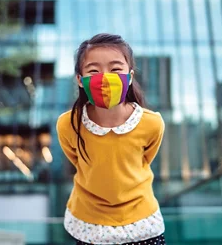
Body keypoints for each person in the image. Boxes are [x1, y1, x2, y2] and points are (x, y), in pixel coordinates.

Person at [56, 33, 166, 245]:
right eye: (93, 70)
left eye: (116, 69)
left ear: (130, 76)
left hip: (142, 224)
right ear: (80, 79)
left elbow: (143, 162)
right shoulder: (68, 124)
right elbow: (79, 163)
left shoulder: (151, 123)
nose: (105, 78)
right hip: (89, 226)